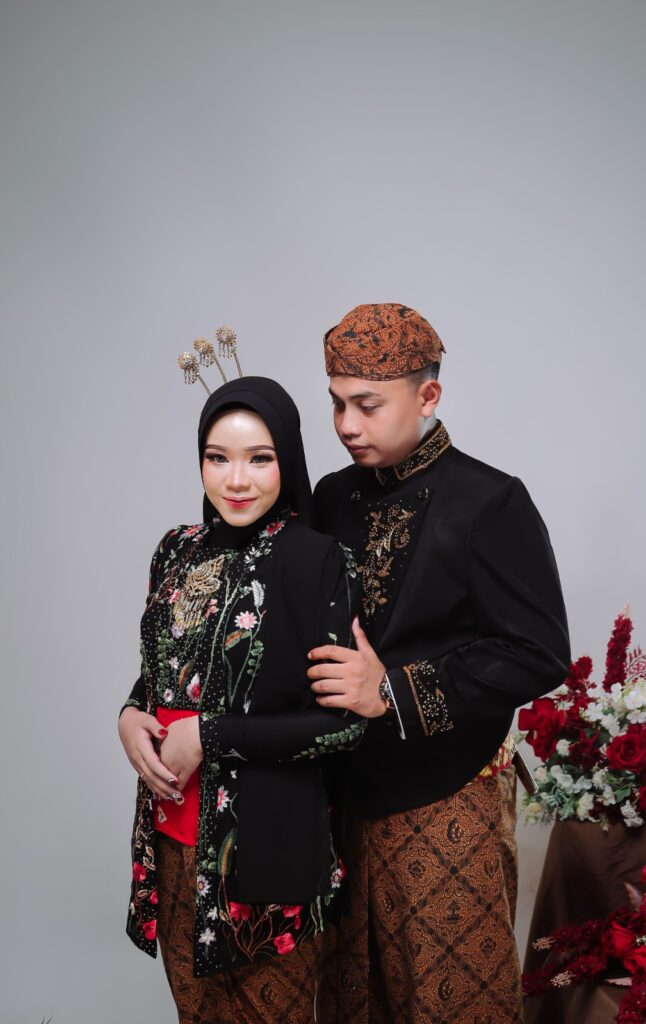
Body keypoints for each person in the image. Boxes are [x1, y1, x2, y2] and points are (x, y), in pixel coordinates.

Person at [309, 303, 571, 1024]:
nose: (346, 424)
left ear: (428, 396)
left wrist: (391, 691)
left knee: (451, 1002)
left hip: (446, 795)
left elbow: (537, 650)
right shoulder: (331, 497)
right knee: (350, 999)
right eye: (336, 404)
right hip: (339, 796)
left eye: (367, 405)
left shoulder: (489, 500)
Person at [118, 370, 364, 1024]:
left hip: (265, 853)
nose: (235, 479)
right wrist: (128, 716)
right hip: (172, 842)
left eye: (259, 458)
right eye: (216, 457)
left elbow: (343, 725)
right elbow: (159, 672)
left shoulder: (315, 560)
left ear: (288, 459)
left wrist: (210, 735)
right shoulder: (176, 550)